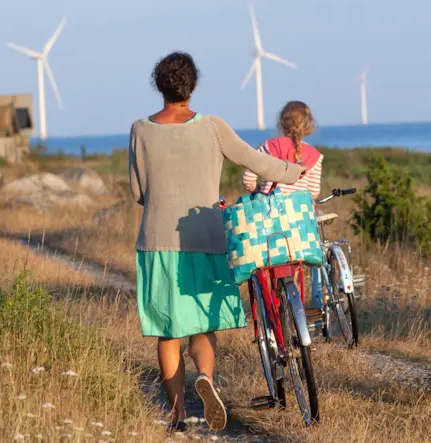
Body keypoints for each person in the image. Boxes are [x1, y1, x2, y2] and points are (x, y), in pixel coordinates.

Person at [128, 52, 303, 432]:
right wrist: (295, 171)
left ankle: (176, 416)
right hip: (206, 236)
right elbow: (259, 163)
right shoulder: (212, 127)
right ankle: (205, 375)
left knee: (168, 333)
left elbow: (138, 192)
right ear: (192, 87)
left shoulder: (140, 130)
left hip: (158, 243)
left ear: (159, 86)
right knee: (203, 327)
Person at [240, 101, 326, 307]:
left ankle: (273, 307)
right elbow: (313, 192)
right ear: (309, 125)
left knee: (267, 263)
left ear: (281, 122)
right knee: (294, 262)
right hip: (298, 224)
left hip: (269, 220)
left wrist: (255, 191)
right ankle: (294, 306)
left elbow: (248, 178)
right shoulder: (315, 156)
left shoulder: (268, 147)